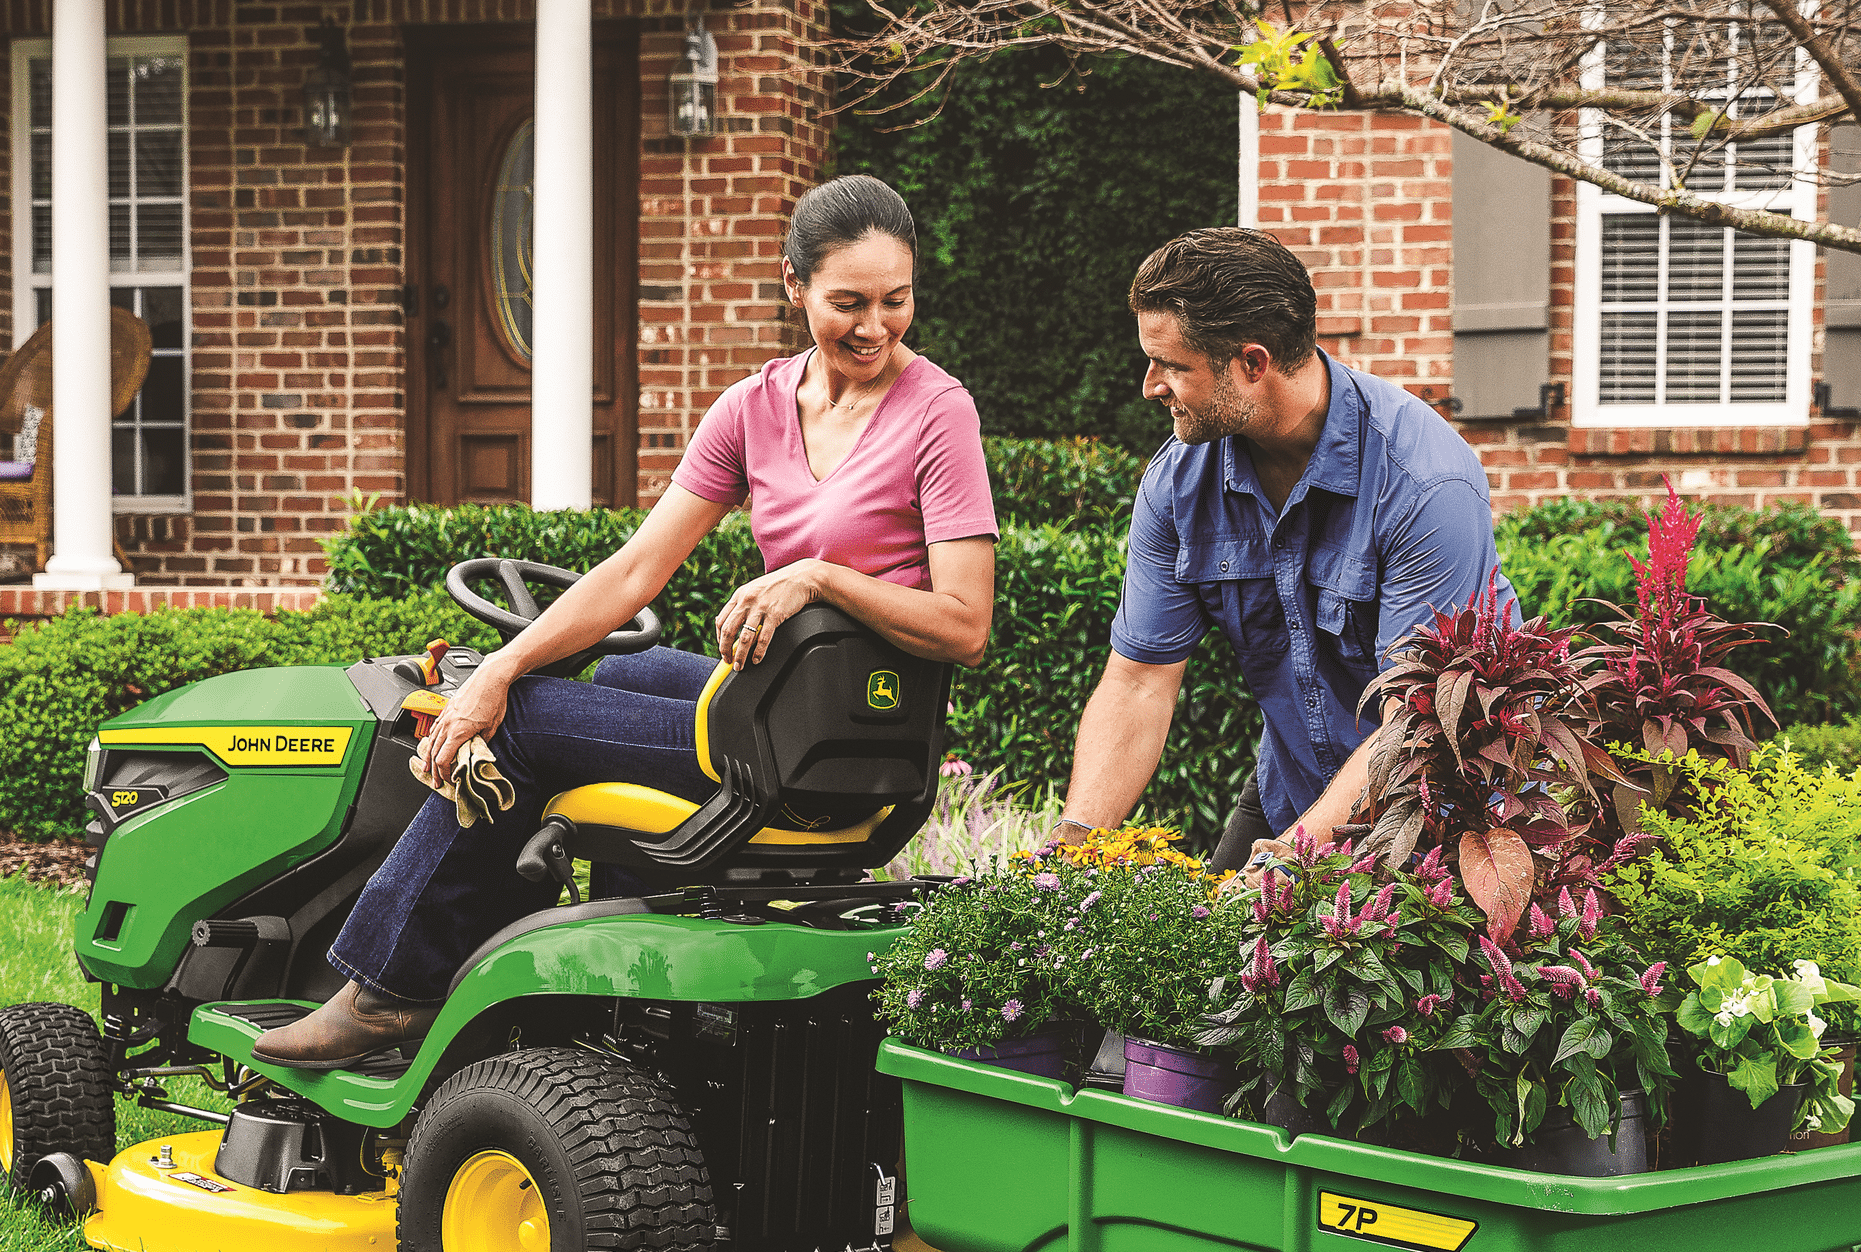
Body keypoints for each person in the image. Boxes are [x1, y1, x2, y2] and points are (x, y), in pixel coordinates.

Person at [254, 175, 999, 1069]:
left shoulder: (937, 412)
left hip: (848, 734)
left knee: (526, 725)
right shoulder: (753, 409)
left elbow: (964, 623)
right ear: (794, 286)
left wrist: (817, 575)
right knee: (622, 676)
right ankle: (615, 978)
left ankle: (390, 990)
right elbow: (636, 570)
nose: (875, 327)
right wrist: (499, 666)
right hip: (775, 705)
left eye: (896, 300)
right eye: (848, 302)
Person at [1049, 228, 1516, 873]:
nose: (1149, 385)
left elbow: (1418, 717)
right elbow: (1138, 679)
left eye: (1172, 366)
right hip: (1295, 783)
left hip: (1449, 811)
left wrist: (1297, 856)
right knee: (1210, 961)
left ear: (1252, 362)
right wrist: (1073, 851)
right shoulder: (1181, 481)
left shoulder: (1424, 481)